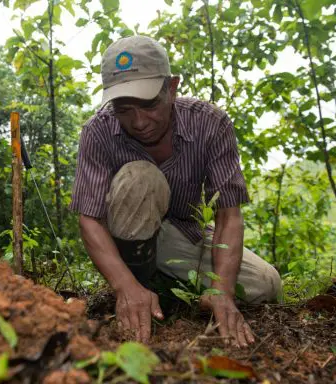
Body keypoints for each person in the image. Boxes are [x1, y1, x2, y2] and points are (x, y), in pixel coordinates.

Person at [70, 35, 282, 348]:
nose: (139, 122)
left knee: (266, 284)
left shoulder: (210, 123)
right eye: (124, 108)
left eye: (150, 105)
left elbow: (228, 215)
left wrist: (221, 291)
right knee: (140, 179)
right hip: (124, 241)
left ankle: (166, 288)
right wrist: (124, 285)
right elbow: (89, 219)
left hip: (181, 235)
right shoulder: (98, 131)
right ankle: (139, 288)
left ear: (172, 88)